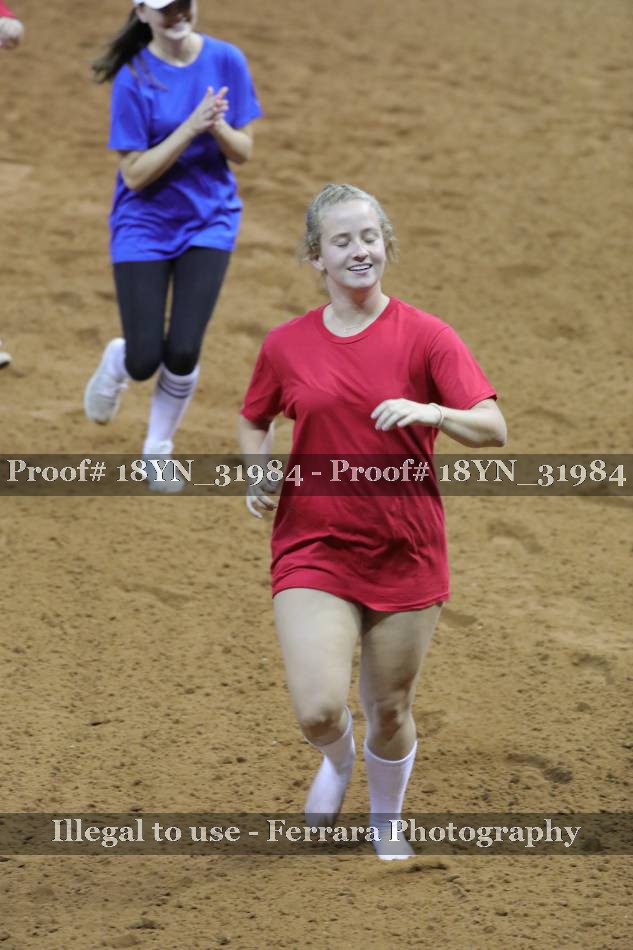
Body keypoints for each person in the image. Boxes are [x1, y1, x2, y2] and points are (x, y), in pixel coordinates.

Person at [237, 183, 507, 860]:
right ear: (316, 257)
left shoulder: (427, 337)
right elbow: (254, 416)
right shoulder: (286, 345)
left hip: (404, 549)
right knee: (318, 709)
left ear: (385, 244)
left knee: (389, 708)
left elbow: (493, 427)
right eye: (342, 241)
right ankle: (336, 759)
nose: (359, 251)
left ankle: (386, 817)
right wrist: (256, 467)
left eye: (369, 237)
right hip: (314, 545)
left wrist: (433, 412)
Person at [84, 0, 262, 491]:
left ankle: (157, 450)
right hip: (144, 225)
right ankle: (119, 360)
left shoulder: (227, 59)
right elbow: (135, 175)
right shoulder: (133, 77)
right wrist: (191, 126)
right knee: (144, 360)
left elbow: (244, 151)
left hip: (210, 222)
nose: (179, 14)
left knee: (183, 350)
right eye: (166, 8)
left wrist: (217, 126)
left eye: (185, 4)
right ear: (142, 13)